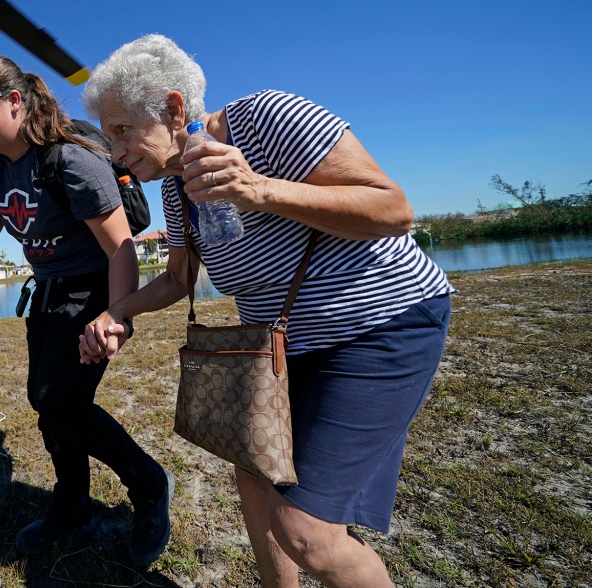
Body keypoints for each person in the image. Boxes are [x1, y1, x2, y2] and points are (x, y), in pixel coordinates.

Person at [78, 34, 454, 587]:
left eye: (122, 131)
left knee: (306, 531)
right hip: (282, 346)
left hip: (380, 325)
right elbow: (181, 277)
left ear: (174, 109)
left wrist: (259, 189)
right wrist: (119, 313)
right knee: (254, 474)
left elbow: (393, 209)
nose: (115, 153)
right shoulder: (177, 187)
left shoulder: (269, 117)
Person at [0, 55, 174, 568]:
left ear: (15, 101)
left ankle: (150, 486)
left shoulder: (69, 159)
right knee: (46, 402)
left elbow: (121, 248)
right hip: (47, 294)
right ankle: (71, 507)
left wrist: (117, 317)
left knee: (60, 401)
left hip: (92, 290)